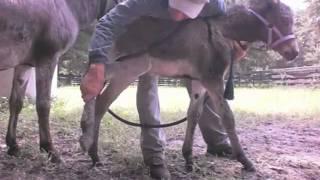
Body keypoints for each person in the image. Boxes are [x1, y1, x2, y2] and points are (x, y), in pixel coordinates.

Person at [81, 0, 235, 179]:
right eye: (178, 7)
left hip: (184, 42)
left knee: (204, 81)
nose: (179, 14)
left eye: (188, 10)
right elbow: (108, 23)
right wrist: (97, 63)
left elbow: (223, 24)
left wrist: (232, 45)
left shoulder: (216, 5)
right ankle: (154, 155)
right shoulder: (143, 2)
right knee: (148, 83)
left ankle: (217, 140)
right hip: (145, 36)